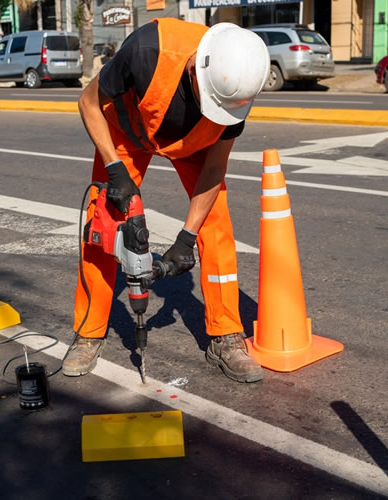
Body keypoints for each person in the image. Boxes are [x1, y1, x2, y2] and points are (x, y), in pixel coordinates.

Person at [66, 19, 270, 383]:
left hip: (194, 145)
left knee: (215, 224)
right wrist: (115, 170)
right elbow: (87, 102)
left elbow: (214, 169)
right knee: (103, 222)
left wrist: (186, 238)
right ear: (196, 66)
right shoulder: (148, 50)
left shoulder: (238, 87)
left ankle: (226, 335)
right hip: (126, 135)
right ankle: (88, 331)